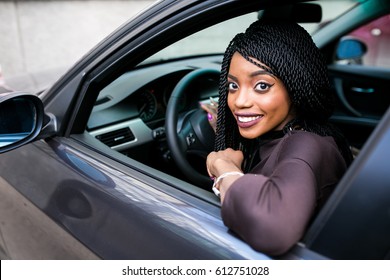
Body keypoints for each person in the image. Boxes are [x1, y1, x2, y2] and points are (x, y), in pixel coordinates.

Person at [205, 19, 353, 256]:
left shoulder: (306, 145)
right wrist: (220, 128)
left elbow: (274, 229)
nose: (239, 101)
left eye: (262, 86)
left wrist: (222, 166)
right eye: (233, 86)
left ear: (296, 87)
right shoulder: (298, 133)